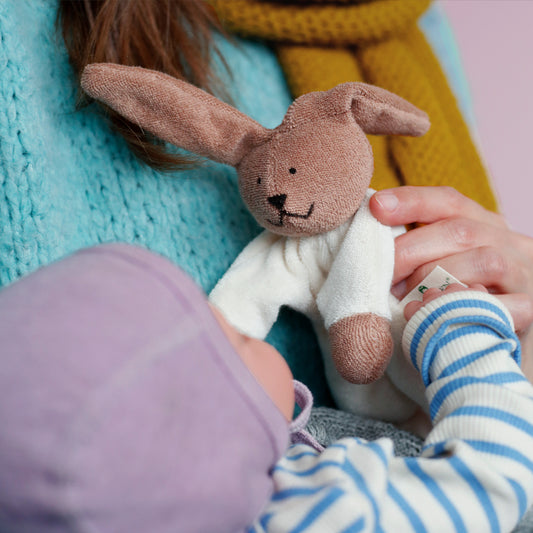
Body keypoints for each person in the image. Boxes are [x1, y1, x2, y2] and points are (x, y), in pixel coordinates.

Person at [0, 243, 531, 533]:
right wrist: (460, 334)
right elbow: (494, 478)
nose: (233, 320)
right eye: (232, 339)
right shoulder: (322, 513)